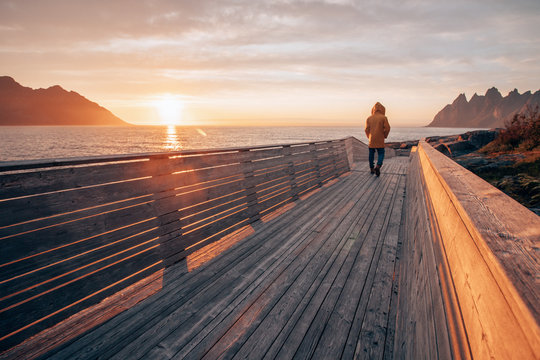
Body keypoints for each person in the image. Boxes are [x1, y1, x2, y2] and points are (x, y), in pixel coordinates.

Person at [365, 102, 390, 176]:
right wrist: (384, 135)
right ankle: (378, 166)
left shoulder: (369, 118)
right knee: (381, 153)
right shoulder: (384, 118)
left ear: (373, 109)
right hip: (380, 139)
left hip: (371, 140)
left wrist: (368, 137)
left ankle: (372, 168)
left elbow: (366, 129)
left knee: (371, 154)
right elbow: (388, 128)